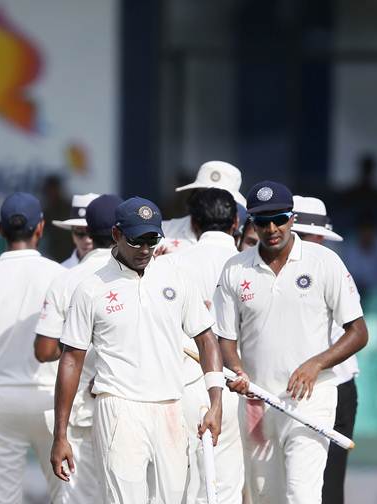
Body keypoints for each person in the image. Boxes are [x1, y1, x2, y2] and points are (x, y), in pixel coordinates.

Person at [51, 197, 224, 503]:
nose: (145, 250)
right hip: (118, 408)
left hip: (171, 404)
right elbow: (71, 361)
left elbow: (206, 338)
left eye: (152, 240)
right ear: (117, 234)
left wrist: (215, 400)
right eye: (136, 240)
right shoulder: (91, 288)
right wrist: (60, 435)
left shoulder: (177, 277)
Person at [214, 181, 369, 504]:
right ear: (251, 222)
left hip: (310, 400)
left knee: (302, 495)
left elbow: (358, 331)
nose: (272, 228)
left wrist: (316, 364)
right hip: (257, 401)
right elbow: (225, 339)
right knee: (264, 497)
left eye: (280, 218)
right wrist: (238, 371)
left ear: (292, 218)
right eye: (262, 221)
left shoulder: (323, 262)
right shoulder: (235, 269)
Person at [0, 192, 65, 503]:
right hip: (51, 399)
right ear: (41, 228)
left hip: (0, 400)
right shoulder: (61, 276)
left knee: (0, 499)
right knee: (68, 494)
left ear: (1, 230)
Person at [35, 194, 123, 504]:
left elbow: (45, 350)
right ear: (118, 231)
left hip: (80, 412)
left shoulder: (65, 280)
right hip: (128, 409)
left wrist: (77, 345)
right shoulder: (142, 277)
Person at [163, 188, 244, 504]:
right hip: (230, 385)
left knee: (178, 488)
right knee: (222, 491)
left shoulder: (170, 264)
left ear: (194, 224)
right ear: (236, 221)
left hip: (179, 386)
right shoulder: (245, 264)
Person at [291, 195, 357, 504]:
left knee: (325, 486)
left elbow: (358, 332)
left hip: (332, 384)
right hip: (293, 389)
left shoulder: (329, 265)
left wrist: (317, 364)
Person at [158, 161, 246, 255]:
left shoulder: (245, 240)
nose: (211, 205)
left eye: (220, 199)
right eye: (206, 196)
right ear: (194, 196)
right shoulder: (163, 231)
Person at [51, 193, 100, 268]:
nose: (87, 240)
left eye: (92, 232)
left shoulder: (113, 271)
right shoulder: (61, 271)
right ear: (72, 234)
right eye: (80, 233)